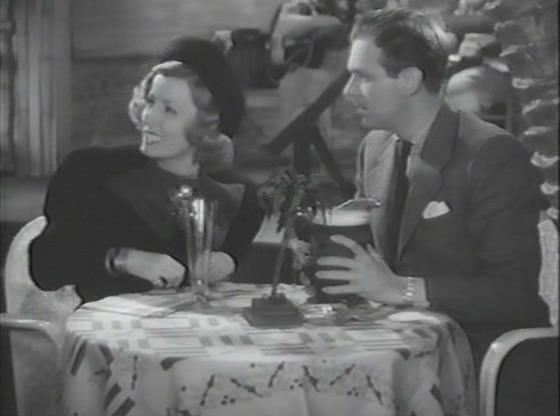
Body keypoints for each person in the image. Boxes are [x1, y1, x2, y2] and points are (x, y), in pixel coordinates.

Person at [308, 8, 550, 368]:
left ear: (409, 80)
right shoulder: (374, 147)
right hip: (394, 352)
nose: (348, 92)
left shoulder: (492, 155)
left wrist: (402, 289)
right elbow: (377, 258)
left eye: (363, 77)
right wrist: (323, 253)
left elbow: (514, 294)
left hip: (476, 361)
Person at [29, 37, 265, 304]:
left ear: (206, 125)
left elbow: (233, 252)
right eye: (151, 102)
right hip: (109, 326)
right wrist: (123, 259)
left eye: (169, 110)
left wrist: (227, 261)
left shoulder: (239, 197)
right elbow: (44, 268)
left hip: (195, 325)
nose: (149, 117)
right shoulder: (89, 171)